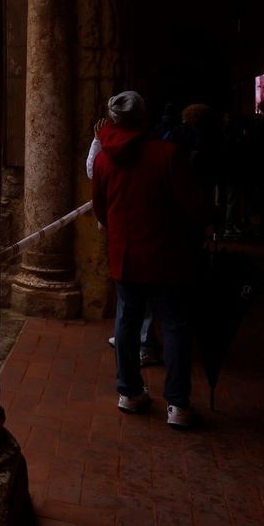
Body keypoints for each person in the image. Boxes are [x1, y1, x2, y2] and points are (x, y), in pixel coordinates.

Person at [93, 90, 206, 428]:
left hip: (125, 255)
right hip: (166, 254)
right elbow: (192, 205)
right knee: (173, 325)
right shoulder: (167, 155)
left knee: (126, 322)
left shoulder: (103, 160)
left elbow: (100, 207)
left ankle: (128, 391)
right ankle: (178, 404)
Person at [88, 119, 161, 367]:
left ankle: (128, 386)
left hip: (122, 240)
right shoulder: (162, 154)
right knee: (150, 298)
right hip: (154, 237)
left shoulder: (104, 158)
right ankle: (145, 346)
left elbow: (93, 176)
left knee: (127, 303)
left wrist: (98, 140)